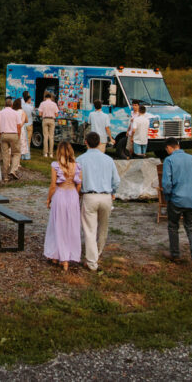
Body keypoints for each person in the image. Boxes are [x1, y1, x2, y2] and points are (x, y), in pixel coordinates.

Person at [76, 132, 120, 272]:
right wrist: (113, 192)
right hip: (106, 196)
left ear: (86, 142)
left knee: (89, 229)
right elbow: (117, 180)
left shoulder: (80, 159)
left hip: (90, 195)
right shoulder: (108, 159)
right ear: (100, 143)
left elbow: (77, 180)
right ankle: (97, 253)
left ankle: (92, 261)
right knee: (103, 227)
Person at [161, 137, 192, 274]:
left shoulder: (169, 160)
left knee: (173, 226)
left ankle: (175, 253)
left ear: (169, 148)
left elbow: (167, 183)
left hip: (176, 199)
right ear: (178, 146)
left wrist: (167, 196)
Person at [43, 141, 82, 271]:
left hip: (60, 195)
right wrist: (75, 197)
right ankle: (65, 258)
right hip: (72, 195)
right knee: (70, 226)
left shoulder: (56, 165)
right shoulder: (77, 166)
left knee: (57, 225)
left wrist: (48, 199)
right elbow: (79, 185)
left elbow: (53, 185)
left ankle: (57, 256)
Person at [0, 99, 22, 181]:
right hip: (14, 134)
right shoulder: (16, 113)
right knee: (16, 153)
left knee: (5, 155)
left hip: (4, 134)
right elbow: (19, 126)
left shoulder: (0, 113)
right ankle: (13, 170)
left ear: (5, 104)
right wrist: (19, 136)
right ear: (12, 105)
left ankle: (5, 176)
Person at [37, 93, 59, 159]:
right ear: (51, 97)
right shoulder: (54, 104)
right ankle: (51, 153)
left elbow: (40, 114)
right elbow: (57, 114)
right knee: (51, 137)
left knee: (45, 136)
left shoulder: (42, 103)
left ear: (45, 97)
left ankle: (45, 153)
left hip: (45, 119)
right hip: (52, 120)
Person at [14, 98, 31, 162]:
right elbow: (25, 121)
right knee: (20, 144)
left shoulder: (13, 111)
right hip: (21, 129)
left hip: (13, 129)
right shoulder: (22, 112)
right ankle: (18, 161)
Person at [21, 91, 34, 160]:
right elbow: (33, 113)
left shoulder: (22, 106)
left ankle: (22, 154)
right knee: (28, 140)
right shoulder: (31, 107)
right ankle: (27, 154)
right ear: (28, 100)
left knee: (23, 139)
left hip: (23, 124)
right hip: (29, 124)